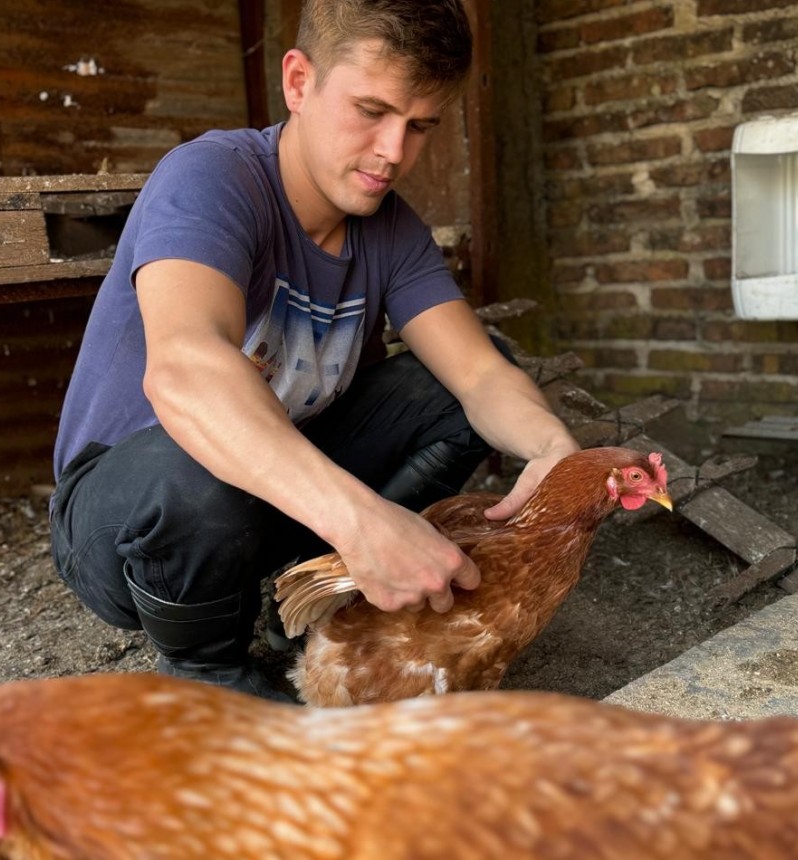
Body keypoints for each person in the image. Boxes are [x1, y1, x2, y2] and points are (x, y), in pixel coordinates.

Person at [49, 0, 579, 702]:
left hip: (279, 497)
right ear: (298, 82)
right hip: (133, 523)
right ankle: (207, 668)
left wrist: (558, 454)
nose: (395, 152)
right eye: (371, 111)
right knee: (195, 460)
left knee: (453, 390)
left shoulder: (391, 232)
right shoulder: (212, 180)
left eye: (420, 126)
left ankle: (309, 595)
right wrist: (365, 520)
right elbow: (184, 372)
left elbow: (479, 373)